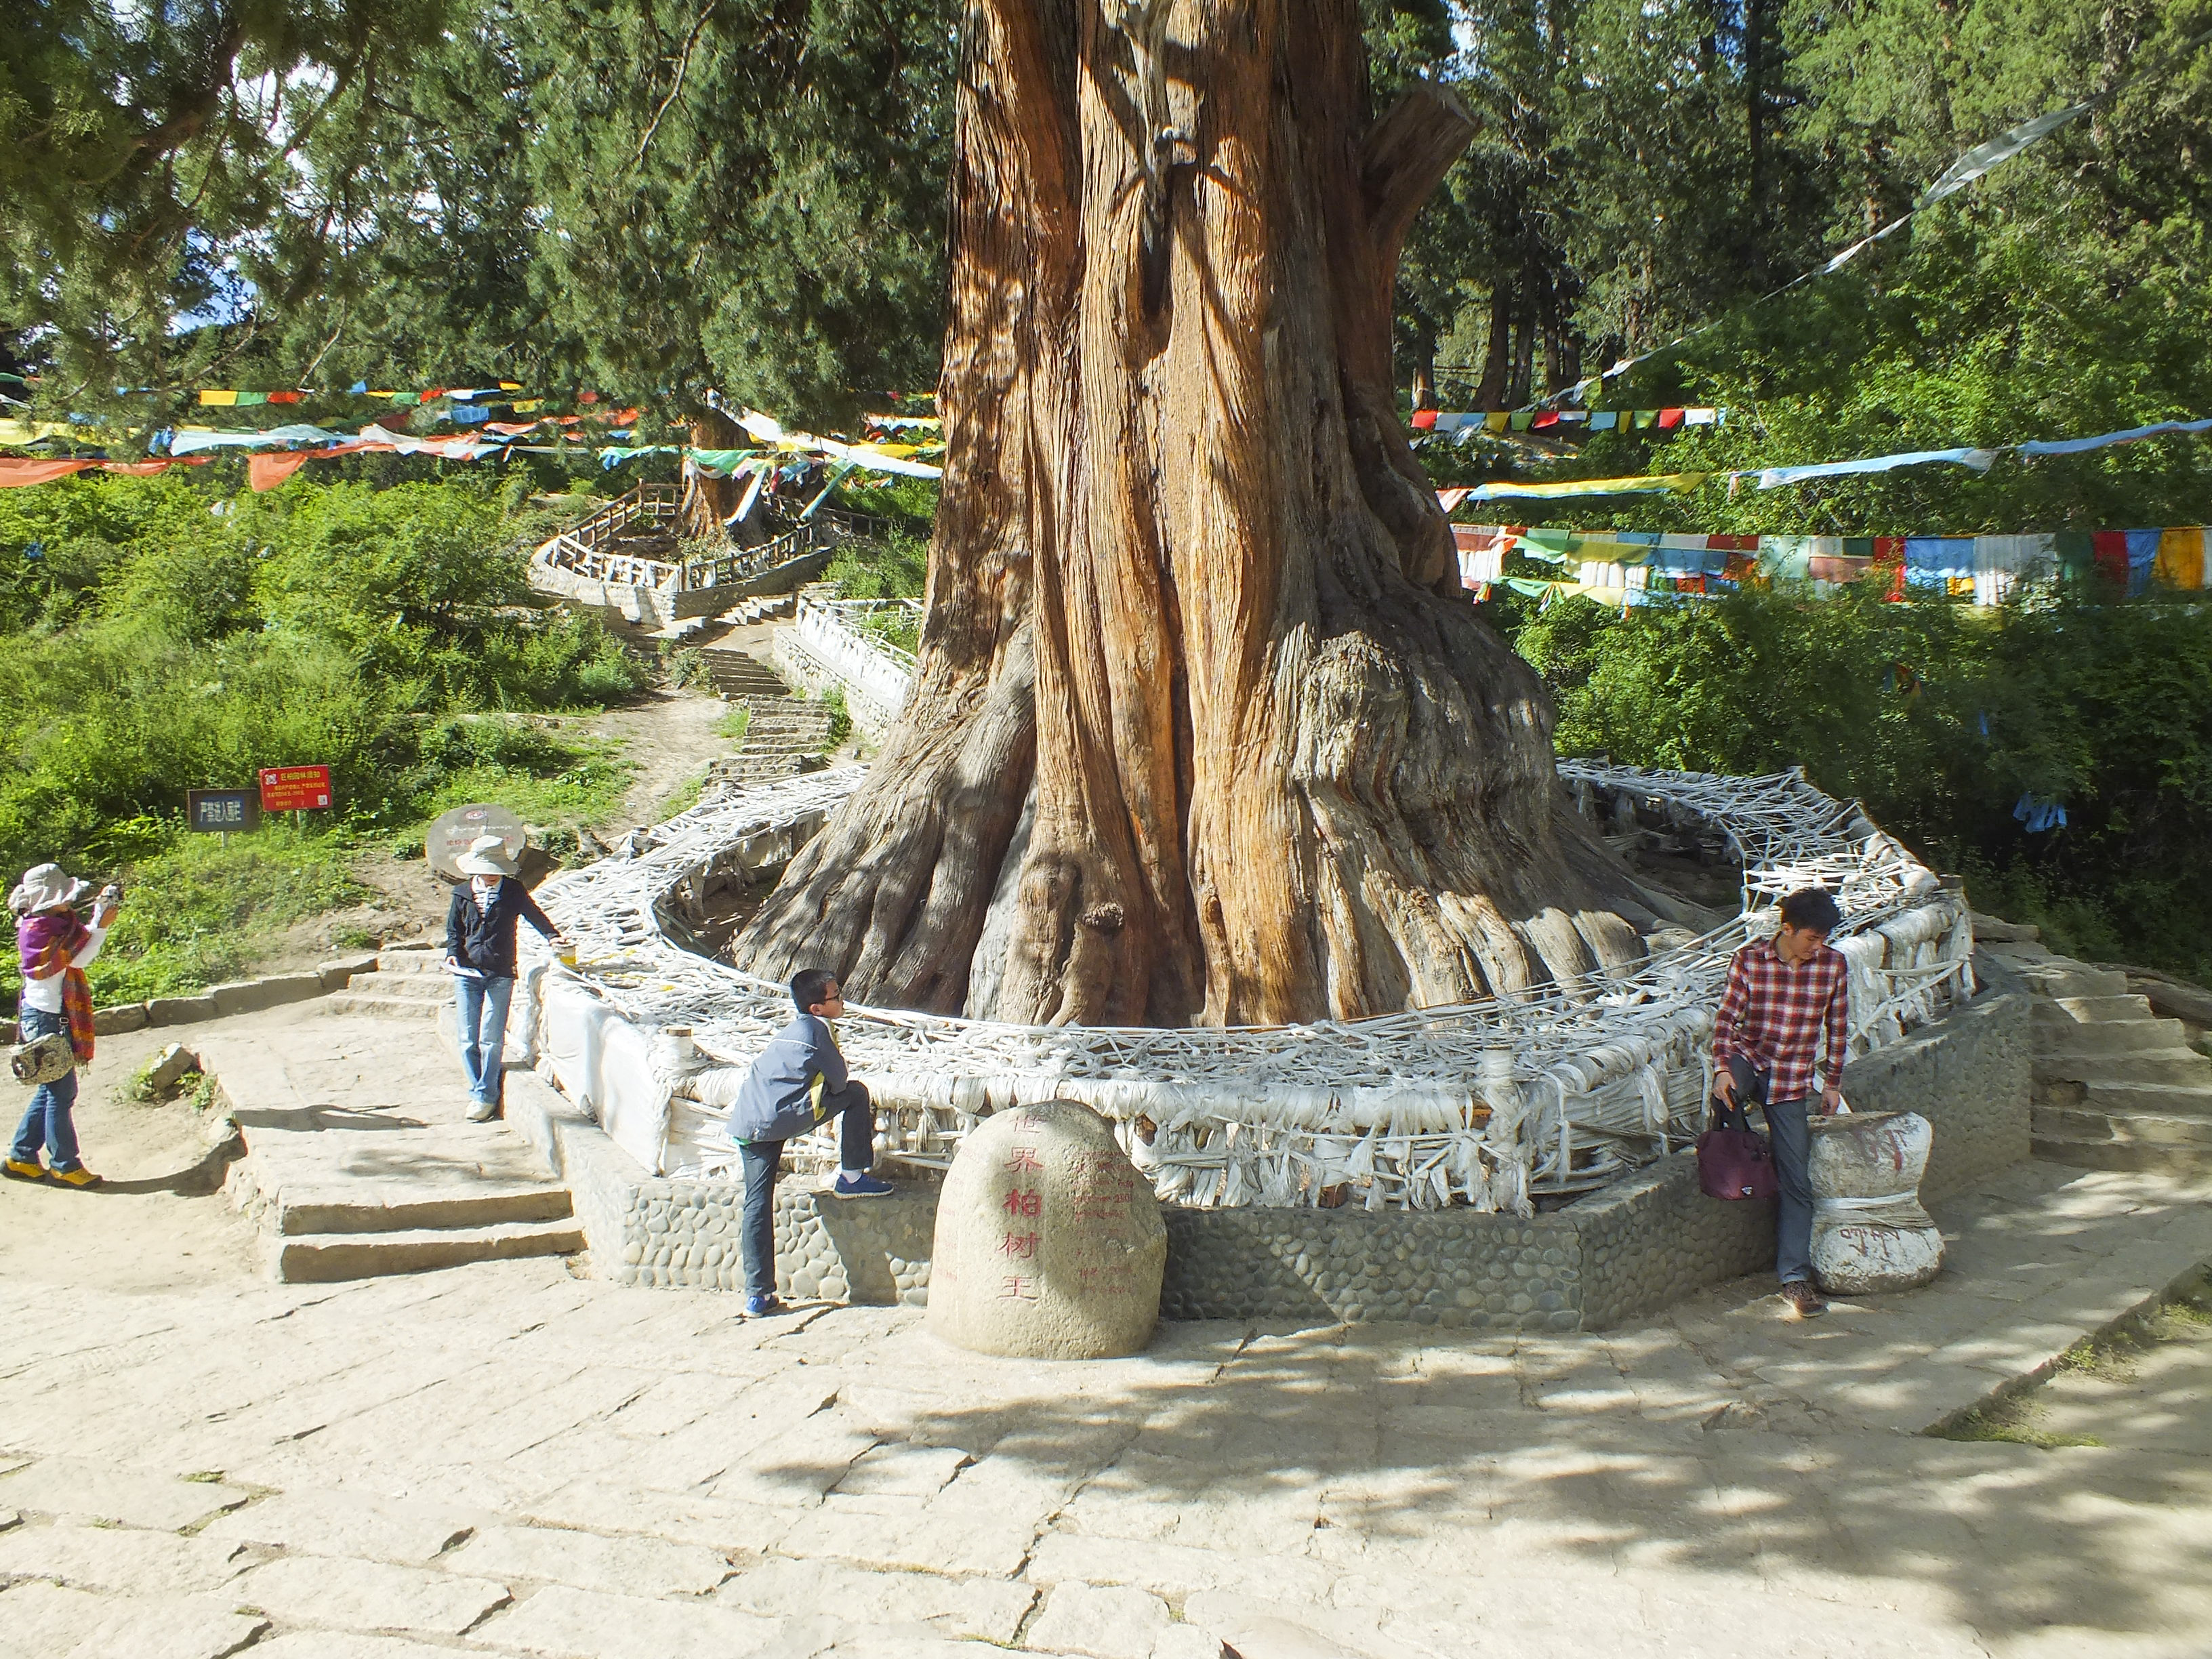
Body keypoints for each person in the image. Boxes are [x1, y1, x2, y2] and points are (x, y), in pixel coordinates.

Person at [1713, 885, 1849, 1319]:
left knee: (1799, 1181)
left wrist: (1832, 1083)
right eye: (1811, 937)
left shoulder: (1832, 965)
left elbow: (1839, 1025)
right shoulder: (1750, 959)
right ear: (1786, 929)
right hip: (1750, 1057)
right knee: (1728, 1088)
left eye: (1823, 938)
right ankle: (1735, 1148)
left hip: (1793, 1076)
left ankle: (1794, 1279)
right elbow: (1726, 1020)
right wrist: (1721, 1069)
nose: (1818, 946)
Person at [725, 968, 894, 1316]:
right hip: (781, 1118)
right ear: (817, 1008)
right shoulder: (817, 1033)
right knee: (856, 1094)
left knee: (756, 1205)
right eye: (836, 995)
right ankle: (851, 1176)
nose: (842, 999)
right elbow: (840, 1079)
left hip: (747, 1120)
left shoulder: (788, 1032)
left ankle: (758, 1294)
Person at [6, 865, 119, 1188]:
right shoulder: (41, 930)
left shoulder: (53, 923)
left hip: (45, 1015)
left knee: (51, 1090)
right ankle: (65, 1165)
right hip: (48, 1018)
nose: (71, 901)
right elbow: (78, 959)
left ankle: (22, 1156)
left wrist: (98, 919)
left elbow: (76, 946)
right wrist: (100, 924)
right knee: (61, 1093)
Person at [445, 835, 566, 1122]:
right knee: (467, 1038)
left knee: (490, 1038)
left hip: (500, 970)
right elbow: (454, 929)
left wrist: (553, 937)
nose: (489, 875)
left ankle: (485, 1095)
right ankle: (476, 1088)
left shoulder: (512, 891)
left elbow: (535, 916)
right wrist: (452, 952)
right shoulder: (462, 893)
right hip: (467, 971)